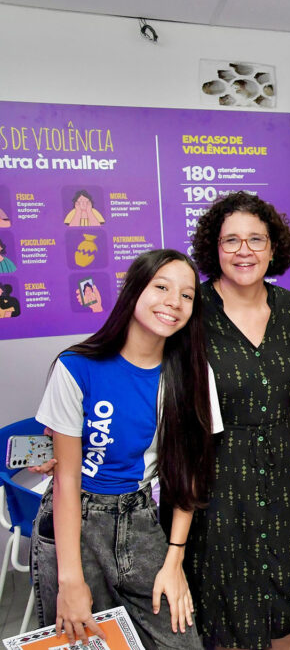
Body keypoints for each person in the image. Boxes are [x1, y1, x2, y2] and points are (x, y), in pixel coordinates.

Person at [31, 249, 220, 647]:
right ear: (134, 290)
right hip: (74, 523)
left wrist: (174, 562)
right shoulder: (76, 366)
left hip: (140, 520)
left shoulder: (194, 374)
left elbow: (188, 475)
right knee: (85, 641)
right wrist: (71, 581)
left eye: (187, 295)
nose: (174, 302)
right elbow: (67, 480)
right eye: (162, 287)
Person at [187, 192, 290, 650]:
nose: (244, 251)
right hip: (217, 485)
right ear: (214, 248)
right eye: (231, 241)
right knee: (225, 615)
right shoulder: (191, 309)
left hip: (282, 481)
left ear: (272, 247)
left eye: (255, 240)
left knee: (285, 612)